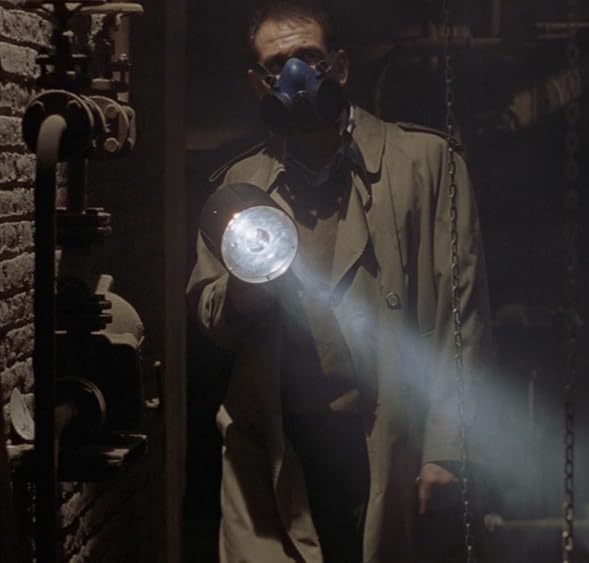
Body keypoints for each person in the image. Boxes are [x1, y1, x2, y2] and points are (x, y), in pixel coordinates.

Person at [186, 2, 492, 561]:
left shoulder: (424, 164)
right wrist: (242, 292)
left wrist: (449, 445)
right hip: (277, 446)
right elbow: (210, 315)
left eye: (309, 57)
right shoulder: (240, 184)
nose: (295, 75)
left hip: (386, 441)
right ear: (258, 83)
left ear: (340, 67)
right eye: (277, 65)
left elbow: (461, 314)